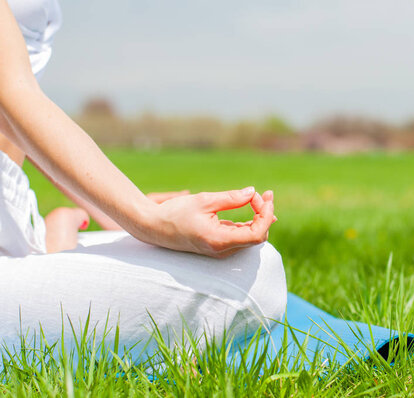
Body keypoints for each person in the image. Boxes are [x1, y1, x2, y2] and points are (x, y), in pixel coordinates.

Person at [0, 0, 287, 358]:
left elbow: (17, 121)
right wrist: (146, 220)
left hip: (12, 219)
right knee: (255, 280)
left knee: (247, 260)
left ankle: (46, 242)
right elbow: (11, 94)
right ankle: (51, 245)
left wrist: (115, 212)